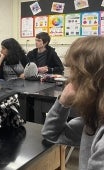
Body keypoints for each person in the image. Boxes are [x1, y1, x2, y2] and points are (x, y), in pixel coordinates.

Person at [41, 36, 104, 170]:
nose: (70, 79)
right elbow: (52, 134)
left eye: (75, 72)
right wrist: (63, 102)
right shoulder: (93, 120)